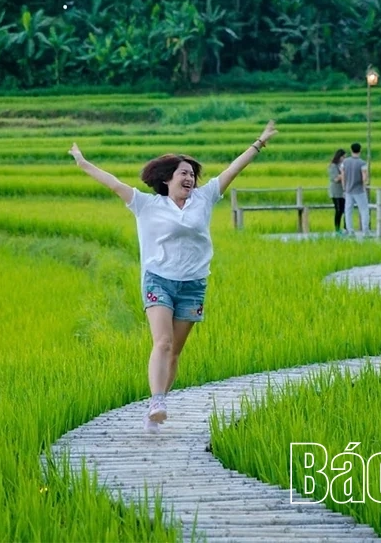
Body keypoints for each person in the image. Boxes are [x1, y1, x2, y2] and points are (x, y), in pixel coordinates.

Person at [68, 121, 279, 432]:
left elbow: (233, 170)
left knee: (176, 351)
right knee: (163, 342)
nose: (189, 178)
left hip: (193, 284)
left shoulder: (204, 199)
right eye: (183, 173)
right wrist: (84, 164)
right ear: (166, 180)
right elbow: (113, 184)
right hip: (158, 280)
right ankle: (156, 401)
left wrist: (259, 143)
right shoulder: (146, 205)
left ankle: (159, 402)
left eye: (192, 174)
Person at [341, 143, 370, 236]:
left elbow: (343, 175)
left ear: (351, 150)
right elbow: (364, 177)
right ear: (360, 150)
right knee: (364, 210)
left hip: (348, 190)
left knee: (348, 211)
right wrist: (365, 183)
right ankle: (366, 231)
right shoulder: (362, 163)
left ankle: (350, 231)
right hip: (359, 190)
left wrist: (344, 187)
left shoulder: (345, 162)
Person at [328, 149, 346, 233]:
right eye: (343, 157)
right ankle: (337, 229)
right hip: (336, 191)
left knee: (345, 210)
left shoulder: (342, 165)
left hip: (343, 191)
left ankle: (346, 228)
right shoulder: (333, 166)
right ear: (339, 156)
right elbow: (335, 178)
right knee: (338, 210)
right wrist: (343, 175)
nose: (344, 158)